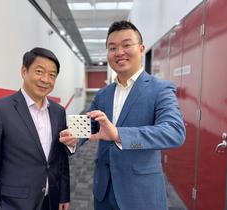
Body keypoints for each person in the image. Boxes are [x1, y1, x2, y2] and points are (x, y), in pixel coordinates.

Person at [60, 20, 186, 210]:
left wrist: (119, 135)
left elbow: (174, 132)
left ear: (141, 49)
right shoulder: (103, 94)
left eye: (126, 45)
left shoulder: (160, 89)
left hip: (140, 194)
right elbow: (89, 127)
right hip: (103, 190)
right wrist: (74, 139)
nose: (119, 52)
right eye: (112, 48)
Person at [0, 47, 70, 210]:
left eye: (52, 75)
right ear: (24, 71)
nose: (45, 79)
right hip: (14, 204)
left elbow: (60, 158)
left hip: (51, 200)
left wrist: (63, 194)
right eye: (40, 71)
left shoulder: (58, 111)